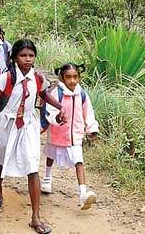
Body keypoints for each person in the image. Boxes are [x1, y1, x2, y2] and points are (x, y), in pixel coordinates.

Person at [0, 39, 66, 234]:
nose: (27, 59)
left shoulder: (37, 77)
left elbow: (43, 94)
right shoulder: (7, 78)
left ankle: (35, 217)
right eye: (23, 55)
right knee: (3, 159)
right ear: (14, 58)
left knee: (31, 165)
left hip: (28, 124)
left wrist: (60, 106)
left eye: (31, 55)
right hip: (7, 123)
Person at [40, 63, 99, 210]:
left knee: (79, 161)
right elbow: (50, 110)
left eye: (75, 77)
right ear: (62, 77)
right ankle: (47, 178)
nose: (72, 80)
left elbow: (88, 113)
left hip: (75, 135)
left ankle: (83, 193)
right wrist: (57, 119)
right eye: (68, 77)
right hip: (57, 133)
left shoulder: (82, 95)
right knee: (50, 155)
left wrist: (92, 129)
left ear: (79, 77)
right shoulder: (56, 93)